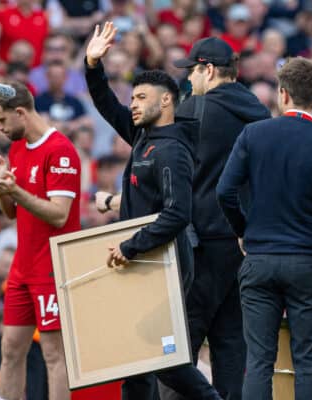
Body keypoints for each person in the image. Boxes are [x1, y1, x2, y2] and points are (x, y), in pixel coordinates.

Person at [86, 22, 221, 400]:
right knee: (136, 357)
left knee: (158, 356)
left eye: (141, 97)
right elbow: (105, 104)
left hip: (166, 257)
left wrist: (131, 246)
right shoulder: (144, 136)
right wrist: (92, 64)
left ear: (166, 102)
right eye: (133, 97)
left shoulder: (173, 149)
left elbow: (178, 213)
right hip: (144, 256)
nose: (132, 104)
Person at [216, 57, 312, 400]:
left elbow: (224, 192)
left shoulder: (253, 134)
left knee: (259, 361)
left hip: (260, 259)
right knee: (308, 364)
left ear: (282, 94)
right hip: (309, 263)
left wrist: (243, 232)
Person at [163, 37, 271, 400]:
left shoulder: (195, 109)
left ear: (208, 69)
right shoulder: (261, 114)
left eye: (192, 70)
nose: (189, 79)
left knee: (179, 349)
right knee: (231, 347)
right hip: (245, 245)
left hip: (203, 243)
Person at [0, 80, 81, 400]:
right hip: (23, 265)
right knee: (10, 349)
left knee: (53, 353)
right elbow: (11, 212)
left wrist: (15, 190)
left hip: (52, 268)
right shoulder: (17, 147)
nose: (1, 129)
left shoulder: (60, 150)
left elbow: (59, 215)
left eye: (4, 121)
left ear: (20, 112)